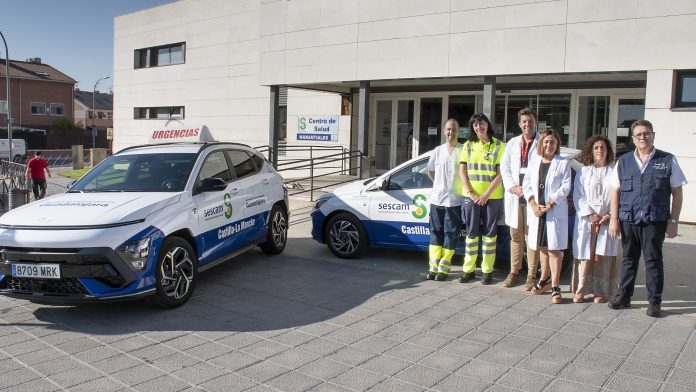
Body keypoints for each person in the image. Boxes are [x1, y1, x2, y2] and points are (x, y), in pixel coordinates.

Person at [607, 120, 686, 317]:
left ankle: (654, 302)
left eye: (646, 133)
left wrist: (674, 222)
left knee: (653, 260)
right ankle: (624, 297)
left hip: (655, 220)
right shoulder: (623, 161)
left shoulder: (667, 160)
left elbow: (677, 192)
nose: (643, 137)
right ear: (633, 138)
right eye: (639, 134)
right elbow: (615, 193)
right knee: (628, 259)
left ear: (653, 135)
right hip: (629, 219)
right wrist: (613, 220)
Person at [523, 129, 571, 304]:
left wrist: (550, 204)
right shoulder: (534, 161)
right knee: (542, 247)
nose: (549, 145)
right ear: (541, 144)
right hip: (538, 212)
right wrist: (534, 205)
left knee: (554, 250)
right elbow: (526, 183)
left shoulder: (562, 162)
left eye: (552, 142)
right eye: (546, 142)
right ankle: (544, 279)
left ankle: (556, 286)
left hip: (553, 211)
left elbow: (565, 187)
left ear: (557, 145)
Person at [458, 113, 505, 285]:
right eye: (475, 125)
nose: (479, 127)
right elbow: (462, 172)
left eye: (482, 123)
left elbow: (501, 175)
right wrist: (472, 193)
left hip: (492, 197)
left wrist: (485, 195)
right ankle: (468, 270)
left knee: (490, 235)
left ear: (488, 124)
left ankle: (487, 271)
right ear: (472, 127)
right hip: (472, 197)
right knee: (471, 235)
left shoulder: (499, 146)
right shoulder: (468, 146)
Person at [571, 135, 619, 303]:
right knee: (585, 255)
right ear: (591, 151)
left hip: (607, 220)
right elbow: (578, 195)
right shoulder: (584, 171)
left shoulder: (614, 170)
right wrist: (590, 215)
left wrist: (609, 216)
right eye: (596, 148)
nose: (600, 150)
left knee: (603, 256)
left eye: (603, 147)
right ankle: (581, 289)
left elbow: (619, 195)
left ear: (608, 151)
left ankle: (600, 291)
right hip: (587, 220)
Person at [501, 107, 541, 290]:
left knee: (531, 237)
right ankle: (514, 271)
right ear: (519, 124)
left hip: (532, 197)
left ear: (535, 122)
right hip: (515, 196)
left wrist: (528, 190)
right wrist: (513, 187)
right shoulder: (512, 143)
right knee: (516, 237)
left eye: (530, 121)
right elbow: (505, 168)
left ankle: (531, 275)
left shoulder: (542, 142)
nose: (527, 124)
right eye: (524, 121)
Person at [426, 119, 464, 281]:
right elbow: (430, 170)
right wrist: (439, 184)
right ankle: (433, 267)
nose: (451, 132)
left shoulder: (463, 150)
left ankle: (444, 268)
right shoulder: (438, 150)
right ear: (444, 131)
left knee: (451, 234)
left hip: (455, 201)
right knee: (435, 233)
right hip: (437, 199)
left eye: (454, 129)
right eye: (448, 129)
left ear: (458, 131)